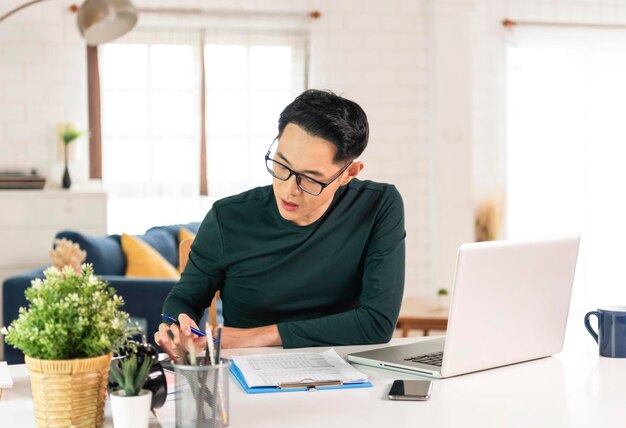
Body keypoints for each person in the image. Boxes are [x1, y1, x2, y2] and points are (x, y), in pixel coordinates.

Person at [155, 89, 405, 358]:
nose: (289, 189)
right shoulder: (228, 217)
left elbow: (376, 324)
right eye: (281, 165)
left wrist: (261, 335)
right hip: (248, 369)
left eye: (310, 179)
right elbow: (184, 299)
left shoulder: (378, 206)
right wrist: (176, 326)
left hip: (342, 369)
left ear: (348, 174)